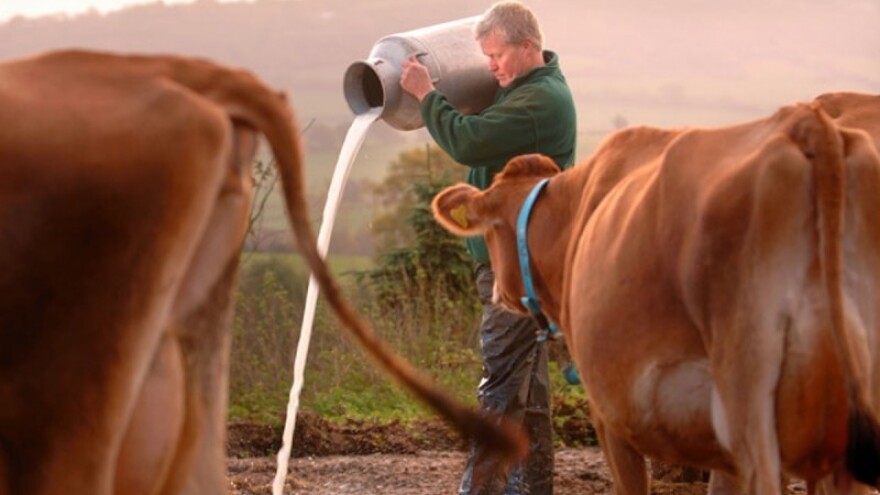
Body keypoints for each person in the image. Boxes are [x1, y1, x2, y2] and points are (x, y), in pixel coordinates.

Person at [399, 2, 577, 494]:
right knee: (527, 396)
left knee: (497, 390)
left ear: (528, 46)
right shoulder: (522, 88)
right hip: (520, 264)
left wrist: (426, 94)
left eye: (497, 55)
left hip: (517, 274)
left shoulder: (539, 102)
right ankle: (531, 489)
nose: (491, 65)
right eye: (486, 57)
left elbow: (468, 141)